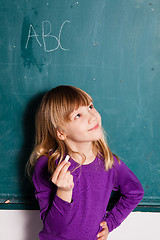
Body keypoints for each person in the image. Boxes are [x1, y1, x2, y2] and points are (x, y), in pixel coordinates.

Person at [28, 85, 144, 240]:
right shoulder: (47, 165)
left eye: (90, 106)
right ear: (61, 132)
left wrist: (111, 222)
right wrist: (63, 192)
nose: (93, 116)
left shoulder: (109, 163)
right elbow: (54, 230)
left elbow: (134, 192)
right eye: (78, 115)